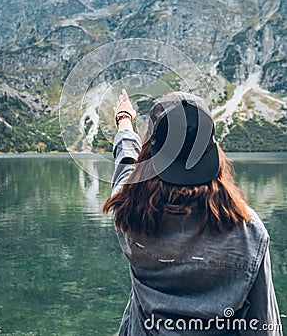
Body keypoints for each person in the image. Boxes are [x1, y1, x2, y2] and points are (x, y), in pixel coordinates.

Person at [103, 89, 282, 335]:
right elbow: (264, 324)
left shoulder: (130, 218)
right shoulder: (249, 232)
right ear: (212, 153)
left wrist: (124, 121)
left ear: (150, 156)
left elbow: (125, 170)